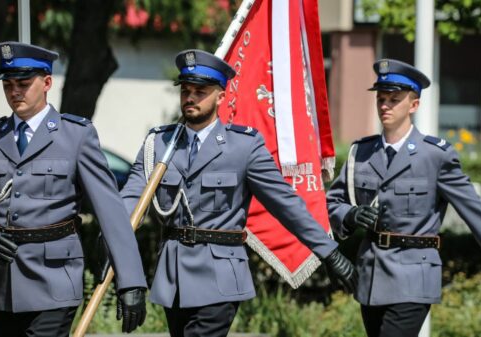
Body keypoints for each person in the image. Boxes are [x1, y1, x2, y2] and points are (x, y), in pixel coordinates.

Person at [117, 49, 357, 337]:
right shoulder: (159, 143)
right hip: (174, 276)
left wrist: (328, 252)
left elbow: (285, 204)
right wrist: (127, 275)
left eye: (200, 91)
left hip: (220, 278)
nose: (190, 98)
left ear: (220, 97)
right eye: (186, 91)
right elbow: (123, 210)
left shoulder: (243, 147)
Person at [0, 41, 148, 337]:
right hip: (2, 288)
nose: (15, 91)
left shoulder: (75, 136)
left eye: (24, 83)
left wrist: (131, 281)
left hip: (54, 283)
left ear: (47, 83)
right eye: (8, 84)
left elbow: (111, 213)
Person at [326, 58, 481, 337]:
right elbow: (333, 203)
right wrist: (350, 215)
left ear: (414, 105)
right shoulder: (361, 153)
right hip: (371, 274)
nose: (385, 105)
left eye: (394, 99)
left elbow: (475, 212)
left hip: (414, 276)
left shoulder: (435, 155)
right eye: (381, 99)